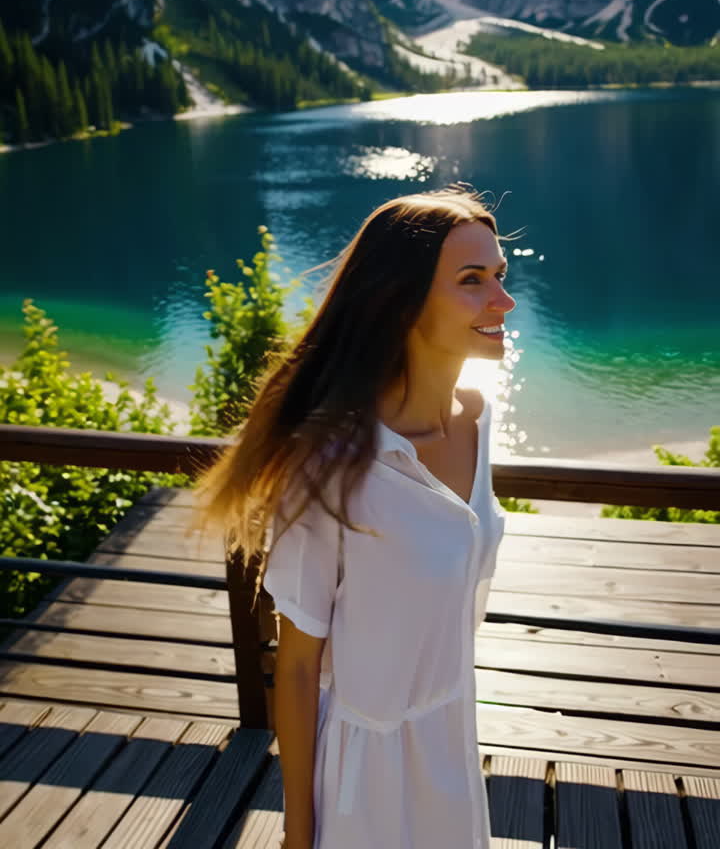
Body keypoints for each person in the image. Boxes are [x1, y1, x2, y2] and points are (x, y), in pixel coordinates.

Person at [192, 186, 516, 849]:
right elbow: (298, 665)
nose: (503, 300)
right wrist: (299, 831)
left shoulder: (478, 424)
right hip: (364, 780)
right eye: (472, 280)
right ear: (402, 301)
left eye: (500, 275)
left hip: (452, 744)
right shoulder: (333, 462)